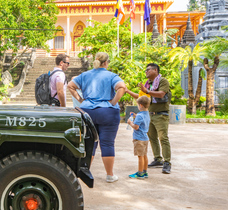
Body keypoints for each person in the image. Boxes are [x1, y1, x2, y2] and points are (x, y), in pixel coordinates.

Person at [68, 52, 126, 183]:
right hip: (108, 112)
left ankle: (84, 172)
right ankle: (110, 175)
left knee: (89, 143)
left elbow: (70, 86)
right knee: (107, 143)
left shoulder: (85, 75)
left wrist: (81, 100)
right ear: (106, 62)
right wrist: (113, 102)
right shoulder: (111, 75)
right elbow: (122, 87)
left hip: (87, 111)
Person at [126, 63, 172, 174]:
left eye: (148, 70)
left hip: (161, 114)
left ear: (155, 70)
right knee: (152, 137)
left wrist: (147, 91)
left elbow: (161, 94)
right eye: (146, 70)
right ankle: (157, 159)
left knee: (163, 138)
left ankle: (167, 162)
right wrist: (127, 91)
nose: (146, 72)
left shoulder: (163, 81)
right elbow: (141, 97)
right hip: (150, 114)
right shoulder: (149, 84)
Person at [127, 96, 151, 179]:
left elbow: (136, 127)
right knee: (144, 155)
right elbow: (141, 117)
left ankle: (140, 173)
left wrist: (130, 123)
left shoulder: (139, 116)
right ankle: (145, 172)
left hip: (139, 139)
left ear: (140, 105)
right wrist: (135, 115)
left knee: (140, 156)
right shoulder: (146, 114)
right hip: (145, 138)